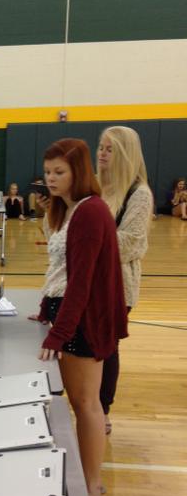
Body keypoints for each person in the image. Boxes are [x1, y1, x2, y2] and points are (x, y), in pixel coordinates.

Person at [34, 139, 127, 496]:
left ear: (79, 172)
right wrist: (45, 308)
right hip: (68, 315)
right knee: (82, 402)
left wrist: (58, 334)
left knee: (87, 404)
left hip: (83, 322)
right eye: (47, 172)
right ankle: (89, 478)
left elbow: (81, 283)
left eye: (60, 172)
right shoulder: (69, 210)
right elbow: (59, 270)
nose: (51, 179)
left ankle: (91, 484)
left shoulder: (90, 211)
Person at [97, 127, 153, 432]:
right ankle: (88, 403)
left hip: (117, 287)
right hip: (87, 284)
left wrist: (89, 237)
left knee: (106, 348)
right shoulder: (95, 187)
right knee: (86, 348)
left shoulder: (139, 193)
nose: (102, 154)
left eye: (110, 149)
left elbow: (131, 242)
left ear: (126, 154)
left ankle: (102, 409)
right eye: (101, 147)